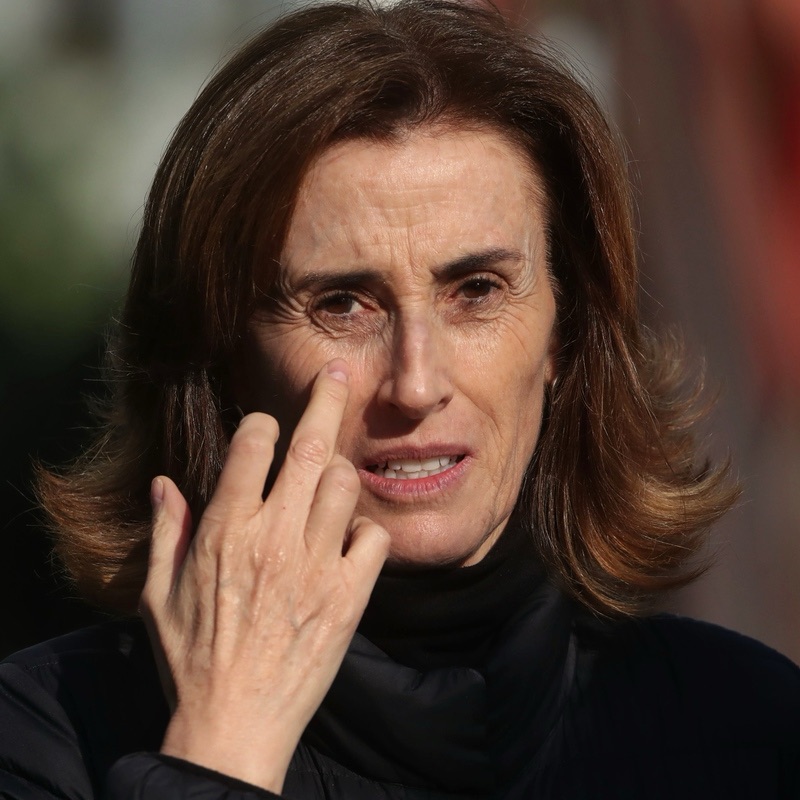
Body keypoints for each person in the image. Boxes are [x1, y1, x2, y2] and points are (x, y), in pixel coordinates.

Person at [1, 1, 798, 798]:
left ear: (566, 333)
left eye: (477, 290)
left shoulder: (748, 728)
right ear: (222, 356)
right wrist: (221, 748)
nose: (415, 385)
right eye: (342, 304)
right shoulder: (41, 735)